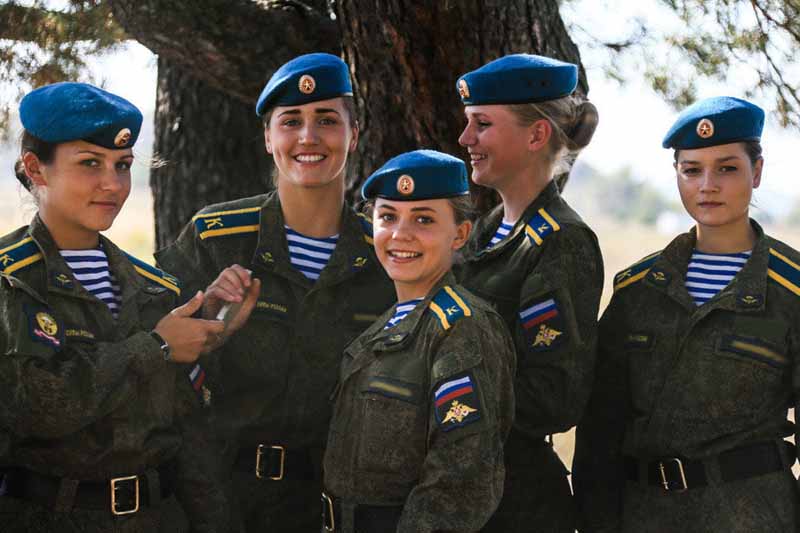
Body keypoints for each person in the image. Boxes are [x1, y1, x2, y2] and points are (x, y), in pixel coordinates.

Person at [155, 53, 396, 532]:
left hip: (334, 509)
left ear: (354, 132)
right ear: (269, 138)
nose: (308, 137)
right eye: (291, 122)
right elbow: (154, 358)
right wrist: (206, 327)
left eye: (327, 120)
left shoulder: (386, 256)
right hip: (222, 503)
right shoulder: (216, 238)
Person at [0, 82, 236, 532]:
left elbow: (186, 440)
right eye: (90, 163)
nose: (113, 183)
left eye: (123, 165)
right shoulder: (10, 279)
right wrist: (157, 348)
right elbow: (39, 406)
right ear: (36, 168)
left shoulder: (155, 290)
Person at [573, 96, 800, 532]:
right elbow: (600, 426)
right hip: (643, 517)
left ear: (757, 172)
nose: (707, 184)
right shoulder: (638, 290)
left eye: (727, 168)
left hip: (751, 517)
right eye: (691, 170)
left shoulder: (791, 292)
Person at [321, 149, 516, 532]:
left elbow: (461, 481)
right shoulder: (388, 324)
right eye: (387, 216)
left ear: (459, 233)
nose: (400, 234)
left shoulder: (461, 327)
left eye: (423, 219)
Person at [454, 53, 603, 531]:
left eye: (482, 124)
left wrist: (441, 400)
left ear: (537, 135)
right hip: (467, 491)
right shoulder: (487, 230)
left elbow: (554, 395)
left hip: (517, 504)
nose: (465, 139)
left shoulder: (561, 240)